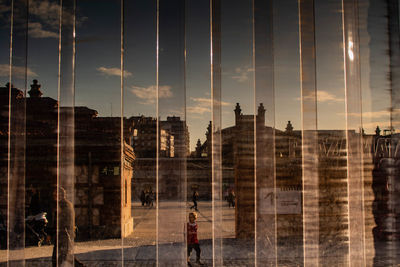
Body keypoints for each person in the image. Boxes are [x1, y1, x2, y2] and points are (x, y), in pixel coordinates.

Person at [51, 187, 84, 267]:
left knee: (59, 257)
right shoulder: (66, 204)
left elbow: (62, 221)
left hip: (63, 234)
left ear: (60, 195)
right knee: (65, 256)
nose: (54, 196)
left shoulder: (63, 205)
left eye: (55, 194)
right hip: (63, 234)